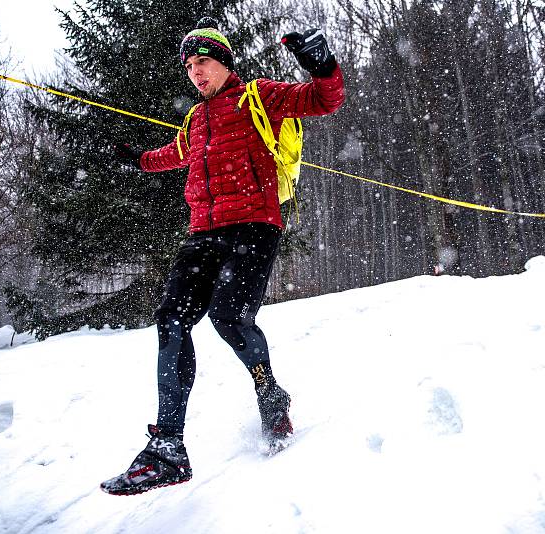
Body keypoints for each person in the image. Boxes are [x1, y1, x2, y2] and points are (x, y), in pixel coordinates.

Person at [100, 17, 345, 496]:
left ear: (224, 62)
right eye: (189, 66)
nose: (196, 73)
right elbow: (174, 154)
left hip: (254, 225)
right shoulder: (195, 119)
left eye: (203, 62)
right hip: (203, 233)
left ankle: (268, 389)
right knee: (170, 320)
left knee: (230, 318)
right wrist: (136, 159)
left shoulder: (259, 97)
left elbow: (323, 100)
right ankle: (168, 448)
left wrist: (322, 65)